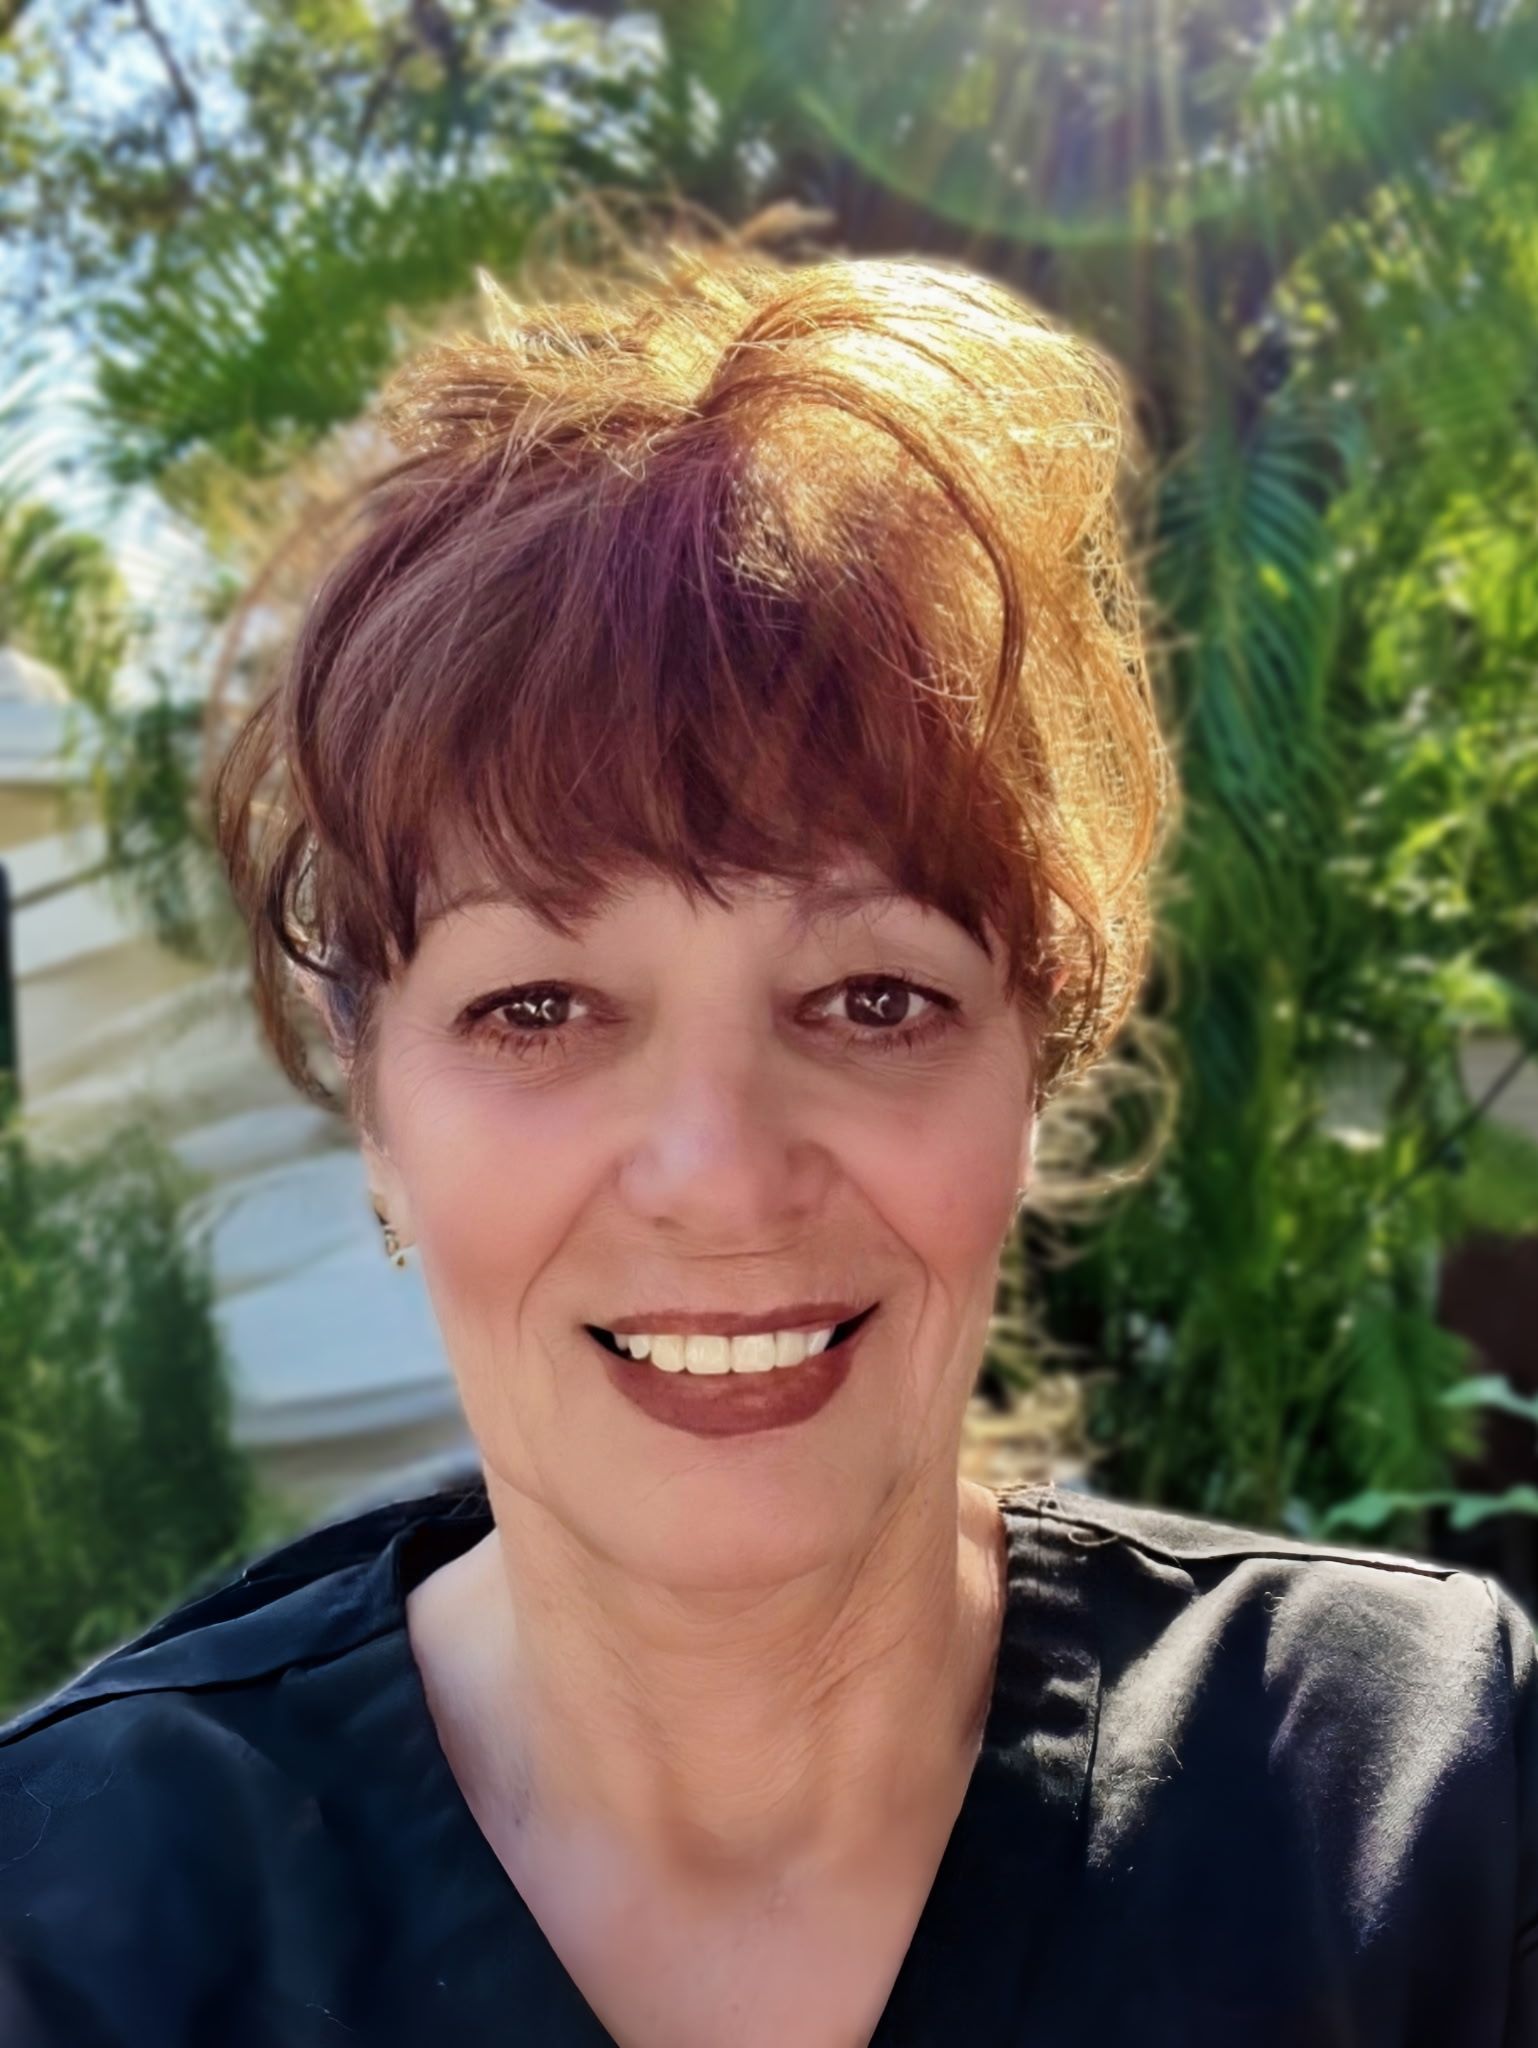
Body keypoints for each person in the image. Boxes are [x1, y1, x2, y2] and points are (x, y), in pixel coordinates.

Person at [1, 234, 1533, 2048]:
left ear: (1035, 1064)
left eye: (873, 1001)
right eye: (540, 1009)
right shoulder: (79, 1922)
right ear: (375, 1103)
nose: (719, 1174)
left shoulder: (1417, 1804)